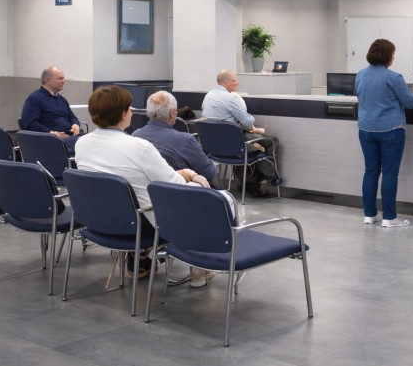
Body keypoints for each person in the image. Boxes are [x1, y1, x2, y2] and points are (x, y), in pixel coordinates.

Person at [75, 85, 239, 287]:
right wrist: (189, 174)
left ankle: (139, 258)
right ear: (122, 113)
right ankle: (200, 265)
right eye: (129, 107)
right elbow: (175, 185)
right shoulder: (139, 147)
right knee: (213, 197)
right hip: (141, 224)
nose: (132, 111)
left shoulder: (82, 143)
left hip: (100, 219)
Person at [356, 38, 413, 228]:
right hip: (390, 130)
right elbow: (409, 102)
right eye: (393, 53)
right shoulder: (394, 77)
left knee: (370, 171)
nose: (394, 57)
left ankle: (369, 215)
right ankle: (389, 217)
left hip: (366, 130)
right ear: (387, 55)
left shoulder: (360, 75)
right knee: (389, 174)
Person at [201, 69, 281, 189]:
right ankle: (267, 179)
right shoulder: (231, 98)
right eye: (234, 81)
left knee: (252, 139)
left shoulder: (208, 96)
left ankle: (252, 178)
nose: (237, 83)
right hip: (234, 146)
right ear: (226, 82)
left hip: (215, 148)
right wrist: (254, 128)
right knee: (272, 141)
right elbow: (247, 121)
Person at [133, 91, 218, 185]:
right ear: (172, 113)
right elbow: (209, 174)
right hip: (181, 190)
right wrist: (212, 163)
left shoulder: (135, 136)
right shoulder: (186, 140)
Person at [20, 66, 82, 154]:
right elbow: (30, 123)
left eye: (63, 78)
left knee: (90, 139)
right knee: (87, 143)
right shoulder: (35, 99)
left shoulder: (62, 100)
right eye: (60, 78)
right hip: (50, 141)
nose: (63, 81)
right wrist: (51, 133)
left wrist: (75, 124)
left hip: (68, 137)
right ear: (48, 80)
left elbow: (72, 117)